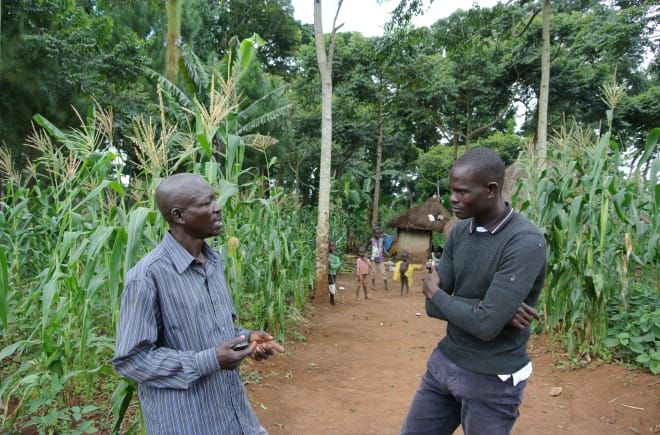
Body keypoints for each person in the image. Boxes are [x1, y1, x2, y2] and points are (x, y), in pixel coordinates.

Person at [113, 173, 285, 435]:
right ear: (179, 216)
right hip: (188, 423)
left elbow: (214, 330)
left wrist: (247, 339)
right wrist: (210, 360)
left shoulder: (213, 262)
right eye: (206, 204)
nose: (217, 207)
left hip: (234, 417)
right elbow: (131, 359)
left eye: (214, 199)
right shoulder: (147, 276)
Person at [400, 148, 546, 435]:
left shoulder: (524, 242)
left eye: (462, 192)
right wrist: (494, 309)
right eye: (452, 191)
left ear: (491, 190)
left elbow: (484, 325)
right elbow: (431, 306)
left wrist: (485, 312)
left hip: (492, 380)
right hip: (443, 365)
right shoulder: (459, 232)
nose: (453, 199)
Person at [328, 240, 341, 305]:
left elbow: (338, 264)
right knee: (327, 285)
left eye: (333, 246)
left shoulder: (336, 255)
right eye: (330, 246)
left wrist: (331, 265)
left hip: (332, 273)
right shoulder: (325, 254)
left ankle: (332, 298)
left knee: (332, 285)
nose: (331, 247)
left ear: (335, 247)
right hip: (326, 273)